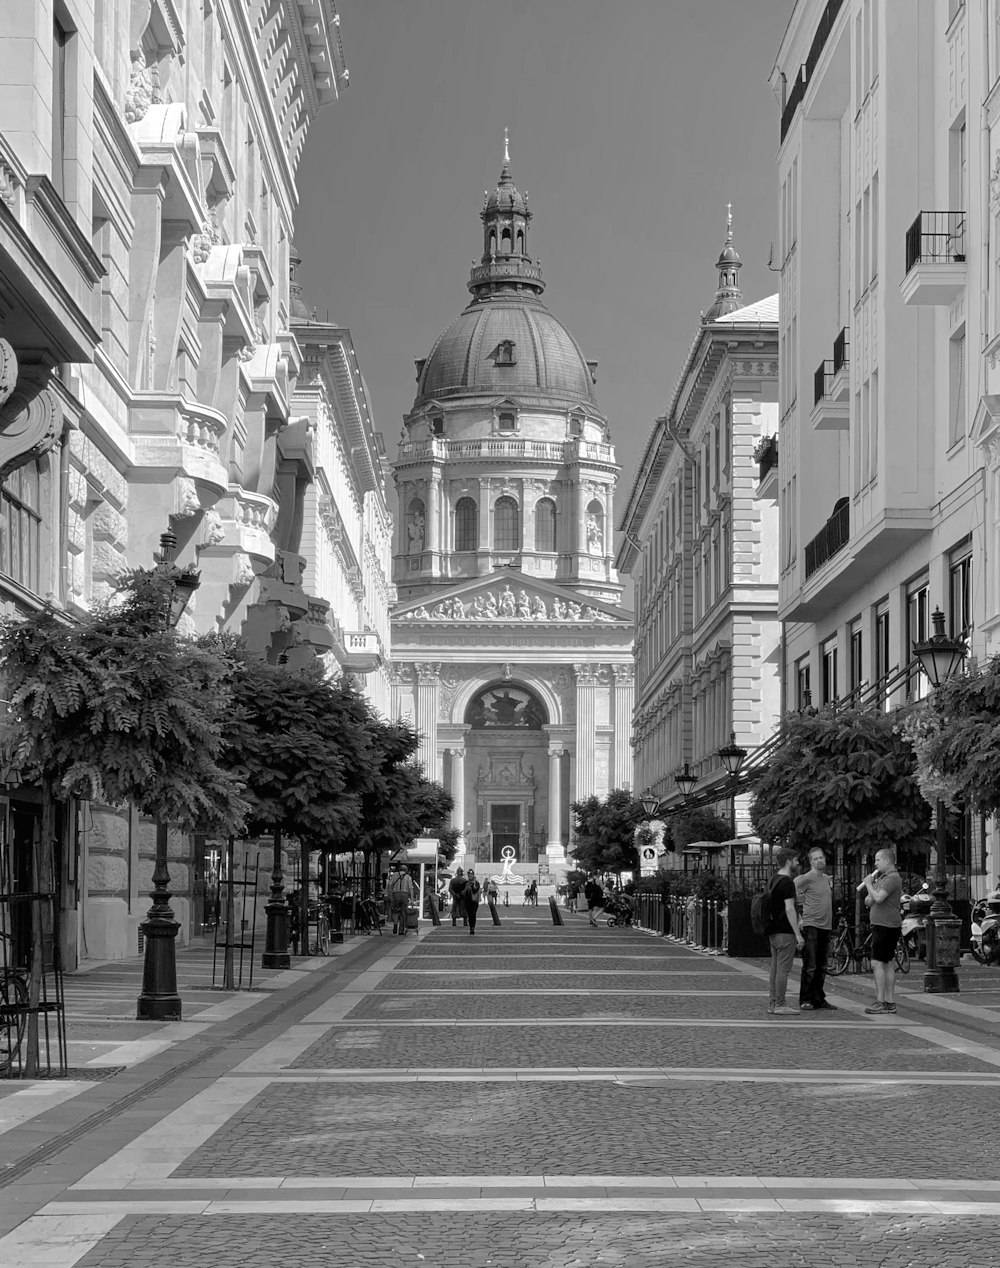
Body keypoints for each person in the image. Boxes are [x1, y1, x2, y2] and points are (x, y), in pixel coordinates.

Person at [859, 847, 903, 1015]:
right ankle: (889, 1002)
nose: (875, 863)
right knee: (888, 962)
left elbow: (877, 898)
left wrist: (869, 884)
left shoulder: (892, 878)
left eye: (878, 860)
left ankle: (881, 1001)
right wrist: (872, 891)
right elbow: (869, 900)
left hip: (886, 925)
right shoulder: (883, 878)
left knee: (878, 963)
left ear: (887, 861)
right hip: (883, 924)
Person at [795, 846, 837, 1012]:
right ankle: (806, 998)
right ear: (811, 862)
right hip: (811, 924)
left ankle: (819, 998)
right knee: (810, 965)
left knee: (821, 965)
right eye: (816, 859)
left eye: (821, 858)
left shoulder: (826, 878)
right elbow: (792, 892)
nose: (820, 861)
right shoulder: (806, 878)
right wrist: (800, 917)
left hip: (825, 925)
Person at [767, 847, 804, 1016]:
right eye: (796, 860)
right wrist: (797, 933)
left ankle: (773, 1003)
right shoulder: (788, 882)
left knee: (775, 969)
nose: (798, 863)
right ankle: (780, 1004)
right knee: (783, 970)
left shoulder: (773, 879)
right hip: (785, 931)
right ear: (789, 861)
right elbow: (789, 909)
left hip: (773, 930)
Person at [387, 863, 415, 936]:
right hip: (404, 895)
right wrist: (412, 899)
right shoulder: (408, 877)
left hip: (395, 894)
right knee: (403, 913)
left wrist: (390, 894)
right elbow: (411, 888)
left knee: (395, 911)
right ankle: (401, 930)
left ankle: (395, 924)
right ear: (406, 870)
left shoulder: (394, 875)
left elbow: (390, 885)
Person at [464, 868, 482, 935]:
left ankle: (472, 927)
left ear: (473, 875)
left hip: (474, 901)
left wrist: (472, 885)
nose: (469, 876)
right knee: (469, 915)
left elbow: (475, 890)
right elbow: (464, 892)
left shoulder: (476, 883)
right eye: (469, 875)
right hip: (468, 901)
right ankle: (471, 926)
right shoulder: (466, 883)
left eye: (471, 875)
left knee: (473, 914)